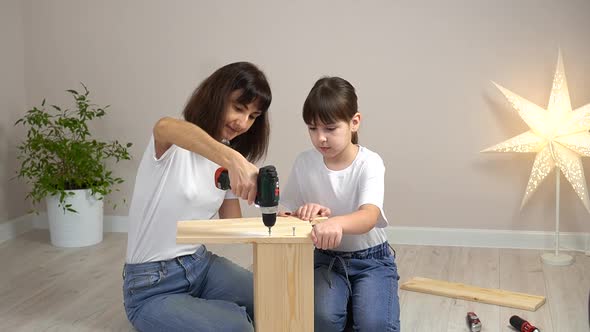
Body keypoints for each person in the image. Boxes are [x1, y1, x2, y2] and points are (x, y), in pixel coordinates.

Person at [122, 62, 272, 332]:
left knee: (273, 300)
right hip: (151, 286)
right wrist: (232, 158)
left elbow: (231, 228)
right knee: (238, 327)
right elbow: (164, 126)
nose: (243, 122)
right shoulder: (173, 144)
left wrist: (279, 218)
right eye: (239, 108)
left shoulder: (227, 162)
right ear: (216, 96)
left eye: (252, 116)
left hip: (199, 265)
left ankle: (210, 311)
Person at [281, 76, 400, 331]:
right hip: (326, 260)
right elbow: (285, 214)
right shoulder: (304, 163)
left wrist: (334, 222)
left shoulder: (369, 162)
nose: (320, 138)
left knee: (376, 325)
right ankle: (346, 311)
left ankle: (354, 310)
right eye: (312, 128)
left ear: (354, 122)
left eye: (330, 128)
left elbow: (368, 216)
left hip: (372, 260)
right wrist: (305, 214)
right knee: (321, 320)